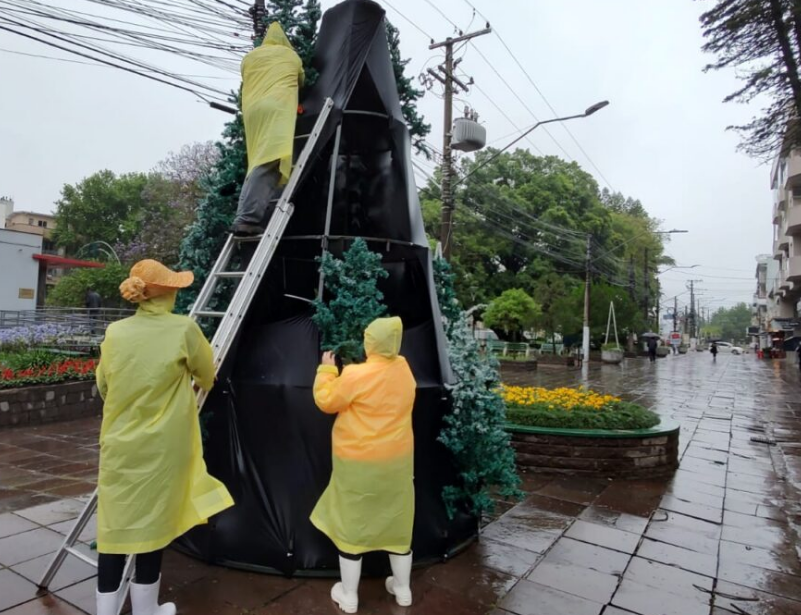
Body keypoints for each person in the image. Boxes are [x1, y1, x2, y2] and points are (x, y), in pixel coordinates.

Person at [94, 259, 234, 615]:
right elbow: (206, 373)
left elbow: (103, 384)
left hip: (118, 445)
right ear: (167, 292)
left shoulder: (115, 332)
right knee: (152, 527)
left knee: (113, 530)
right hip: (162, 449)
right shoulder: (182, 329)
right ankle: (146, 610)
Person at [311, 317, 416, 613]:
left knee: (352, 526)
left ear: (370, 343)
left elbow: (326, 400)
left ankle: (349, 595)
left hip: (357, 463)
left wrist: (327, 369)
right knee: (398, 525)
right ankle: (403, 589)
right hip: (397, 464)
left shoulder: (357, 374)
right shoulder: (404, 370)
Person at [232, 22, 305, 236]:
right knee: (270, 160)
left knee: (257, 160)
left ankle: (245, 215)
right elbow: (300, 79)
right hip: (277, 108)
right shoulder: (291, 56)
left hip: (253, 111)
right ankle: (247, 218)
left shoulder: (249, 58)